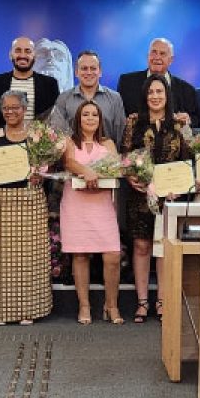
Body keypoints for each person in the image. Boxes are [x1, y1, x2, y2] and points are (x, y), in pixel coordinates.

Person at [0, 91, 53, 325]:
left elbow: (48, 166)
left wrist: (42, 175)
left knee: (30, 260)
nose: (10, 112)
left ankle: (29, 309)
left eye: (15, 107)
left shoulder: (38, 136)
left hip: (30, 203)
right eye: (6, 108)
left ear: (24, 109)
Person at [121, 74, 190, 323]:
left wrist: (179, 187)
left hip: (169, 198)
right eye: (151, 92)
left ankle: (162, 300)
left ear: (167, 95)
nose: (155, 96)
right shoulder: (134, 123)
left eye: (160, 92)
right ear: (145, 96)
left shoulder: (179, 125)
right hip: (140, 195)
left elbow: (186, 160)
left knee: (163, 249)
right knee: (141, 246)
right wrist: (131, 177)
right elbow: (125, 157)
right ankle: (141, 302)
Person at [61, 101, 123, 325]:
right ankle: (84, 305)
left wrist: (97, 173)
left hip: (102, 204)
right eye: (85, 114)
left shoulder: (108, 143)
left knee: (112, 256)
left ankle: (111, 304)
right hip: (76, 204)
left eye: (94, 115)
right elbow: (68, 162)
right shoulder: (69, 142)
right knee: (80, 255)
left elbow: (116, 166)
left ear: (100, 119)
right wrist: (86, 171)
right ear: (78, 118)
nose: (90, 118)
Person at [117, 37, 199, 128]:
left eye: (162, 54)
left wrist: (188, 119)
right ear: (148, 56)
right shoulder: (127, 82)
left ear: (171, 60)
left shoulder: (187, 89)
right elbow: (118, 116)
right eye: (154, 52)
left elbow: (196, 120)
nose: (157, 57)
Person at [0, 37, 59, 130]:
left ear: (34, 55)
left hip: (40, 143)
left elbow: (56, 119)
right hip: (4, 142)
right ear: (11, 55)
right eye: (18, 51)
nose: (23, 55)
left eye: (28, 51)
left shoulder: (50, 84)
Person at [49, 50, 126, 142]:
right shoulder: (64, 98)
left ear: (100, 72)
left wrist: (113, 154)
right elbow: (58, 133)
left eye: (93, 68)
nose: (89, 72)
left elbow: (120, 134)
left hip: (108, 155)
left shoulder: (115, 98)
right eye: (84, 68)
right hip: (72, 155)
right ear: (76, 72)